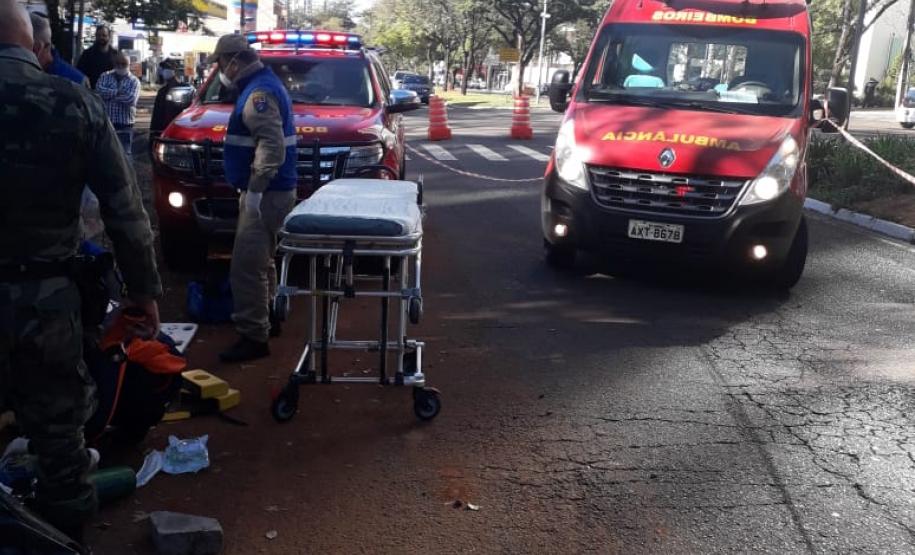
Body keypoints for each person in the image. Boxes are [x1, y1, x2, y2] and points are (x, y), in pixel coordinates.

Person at [0, 0, 162, 546]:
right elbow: (125, 210)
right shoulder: (72, 102)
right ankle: (64, 537)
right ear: (32, 43)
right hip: (44, 300)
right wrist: (143, 292)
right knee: (57, 432)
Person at [209, 34, 298, 362]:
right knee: (263, 262)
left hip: (267, 194)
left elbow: (271, 147)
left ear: (234, 60)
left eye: (220, 63)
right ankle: (269, 316)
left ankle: (253, 336)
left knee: (246, 267)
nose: (221, 70)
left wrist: (256, 192)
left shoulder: (258, 93)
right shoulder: (264, 84)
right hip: (274, 192)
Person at [96, 52, 140, 156]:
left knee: (125, 156)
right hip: (106, 124)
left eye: (123, 64)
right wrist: (118, 92)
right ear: (114, 64)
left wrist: (109, 95)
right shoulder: (105, 76)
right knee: (106, 155)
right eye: (117, 63)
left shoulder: (134, 81)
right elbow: (98, 92)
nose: (120, 66)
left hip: (125, 125)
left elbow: (131, 99)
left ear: (129, 65)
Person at [150, 59, 184, 141]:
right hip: (163, 131)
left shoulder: (184, 89)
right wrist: (154, 135)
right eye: (164, 68)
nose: (165, 71)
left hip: (179, 131)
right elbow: (156, 116)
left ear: (174, 71)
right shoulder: (162, 91)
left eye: (168, 68)